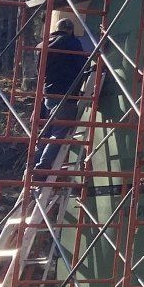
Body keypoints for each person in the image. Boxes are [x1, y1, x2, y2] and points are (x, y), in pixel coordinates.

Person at [33, 12, 94, 170]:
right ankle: (42, 167)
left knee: (46, 133)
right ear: (70, 30)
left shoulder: (43, 45)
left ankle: (33, 163)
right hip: (65, 93)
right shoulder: (71, 42)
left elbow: (38, 71)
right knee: (59, 132)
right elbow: (82, 64)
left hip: (48, 93)